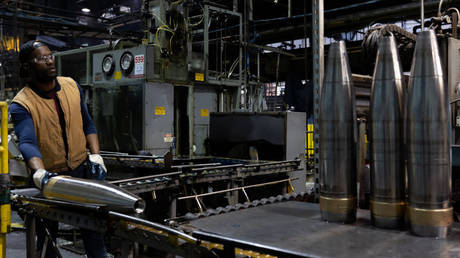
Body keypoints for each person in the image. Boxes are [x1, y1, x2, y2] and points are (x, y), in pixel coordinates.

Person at [10, 40, 108, 258]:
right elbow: (27, 142)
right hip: (51, 179)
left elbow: (88, 124)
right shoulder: (22, 103)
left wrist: (96, 156)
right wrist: (39, 173)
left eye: (50, 56)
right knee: (47, 242)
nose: (50, 61)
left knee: (94, 235)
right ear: (28, 66)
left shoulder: (72, 86)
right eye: (42, 58)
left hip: (82, 171)